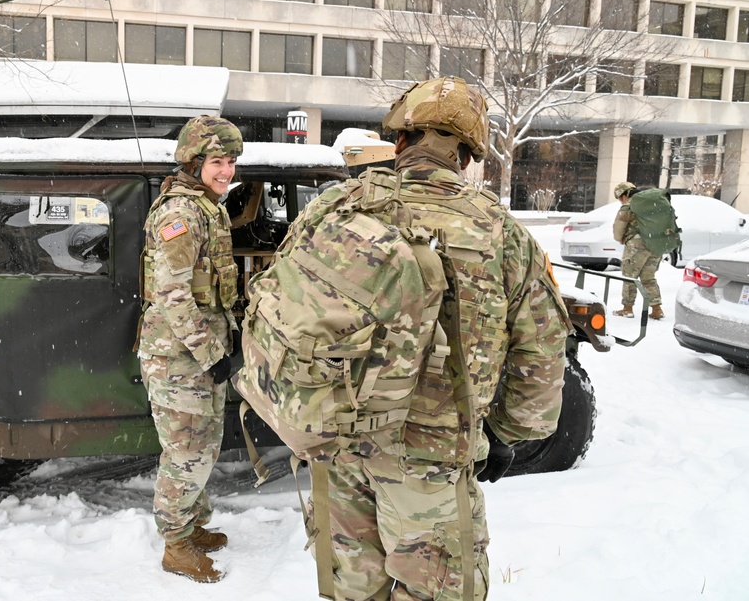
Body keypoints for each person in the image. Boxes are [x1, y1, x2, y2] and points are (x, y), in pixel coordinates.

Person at [298, 77, 571, 600]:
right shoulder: (499, 231)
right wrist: (506, 435)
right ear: (467, 154)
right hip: (430, 455)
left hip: (334, 446)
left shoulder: (332, 209)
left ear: (400, 140)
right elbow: (542, 355)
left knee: (353, 590)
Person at [137, 115, 242, 583]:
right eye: (218, 162)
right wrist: (210, 353)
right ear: (194, 162)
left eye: (232, 162)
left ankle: (192, 525)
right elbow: (172, 294)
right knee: (186, 453)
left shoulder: (207, 206)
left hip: (197, 352)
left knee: (203, 446)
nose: (227, 171)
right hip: (178, 357)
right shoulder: (180, 214)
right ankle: (176, 546)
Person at [611, 182, 666, 320]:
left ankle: (627, 308)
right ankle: (657, 308)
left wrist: (621, 239)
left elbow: (618, 229)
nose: (620, 201)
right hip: (656, 244)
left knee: (629, 276)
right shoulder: (653, 203)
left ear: (625, 194)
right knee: (648, 277)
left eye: (620, 197)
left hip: (637, 245)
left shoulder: (629, 205)